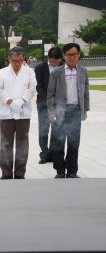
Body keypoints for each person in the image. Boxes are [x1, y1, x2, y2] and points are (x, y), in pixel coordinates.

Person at [47, 43, 90, 179]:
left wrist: (85, 110)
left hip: (75, 110)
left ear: (78, 55)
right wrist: (51, 111)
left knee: (74, 142)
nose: (72, 57)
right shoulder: (56, 72)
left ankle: (72, 170)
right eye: (69, 55)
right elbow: (50, 94)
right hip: (60, 111)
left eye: (75, 54)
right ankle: (60, 171)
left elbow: (85, 92)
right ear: (64, 56)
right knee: (59, 142)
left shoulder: (83, 71)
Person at [0, 46, 37, 179]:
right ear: (9, 59)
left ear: (23, 59)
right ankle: (6, 173)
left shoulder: (29, 72)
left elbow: (32, 88)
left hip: (24, 112)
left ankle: (20, 173)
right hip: (6, 112)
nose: (17, 64)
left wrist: (22, 100)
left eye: (20, 60)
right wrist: (9, 101)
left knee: (22, 143)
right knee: (5, 143)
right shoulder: (2, 72)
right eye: (14, 61)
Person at [35, 47, 63, 164]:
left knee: (56, 129)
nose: (54, 64)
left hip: (59, 104)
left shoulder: (64, 67)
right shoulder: (40, 68)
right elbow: (38, 86)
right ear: (48, 58)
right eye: (52, 61)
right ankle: (44, 153)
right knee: (43, 129)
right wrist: (48, 101)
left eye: (56, 62)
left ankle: (53, 153)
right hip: (43, 103)